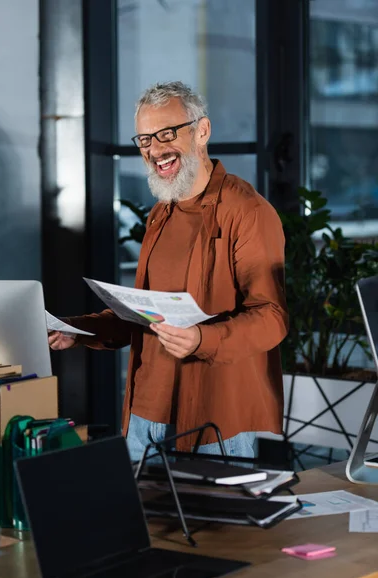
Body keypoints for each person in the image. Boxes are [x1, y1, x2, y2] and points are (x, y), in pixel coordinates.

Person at [49, 81, 289, 461]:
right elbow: (144, 318)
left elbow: (272, 318)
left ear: (202, 131)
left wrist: (201, 340)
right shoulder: (162, 212)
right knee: (144, 521)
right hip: (145, 413)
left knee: (214, 522)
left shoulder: (248, 212)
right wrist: (80, 330)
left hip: (214, 418)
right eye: (144, 140)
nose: (155, 150)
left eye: (166, 134)